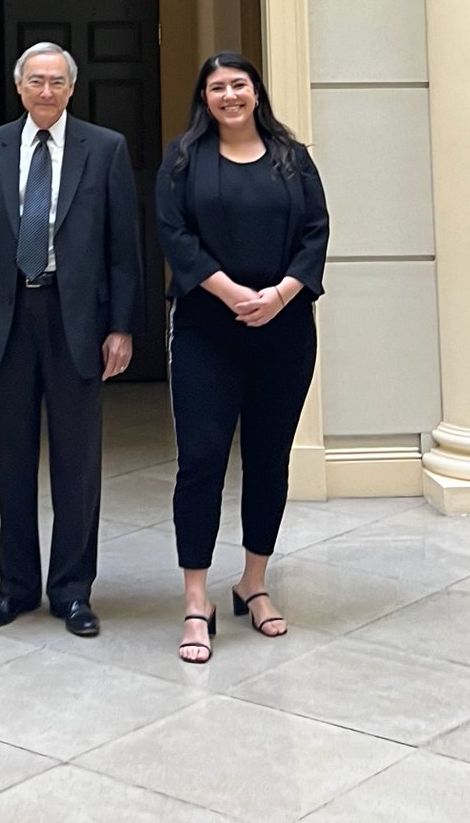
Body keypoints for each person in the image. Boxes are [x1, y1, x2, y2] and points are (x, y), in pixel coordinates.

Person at [0, 42, 142, 638]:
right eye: (35, 80)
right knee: (13, 458)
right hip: (9, 316)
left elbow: (123, 249)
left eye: (56, 81)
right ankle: (14, 587)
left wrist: (121, 327)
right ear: (18, 87)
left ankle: (72, 589)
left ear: (71, 87)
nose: (45, 91)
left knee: (77, 462)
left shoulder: (105, 148)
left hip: (76, 319)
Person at [155, 52, 328, 663]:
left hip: (283, 331)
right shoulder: (182, 160)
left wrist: (280, 296)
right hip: (207, 329)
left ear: (256, 92)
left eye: (239, 85)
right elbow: (174, 235)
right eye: (216, 88)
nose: (229, 96)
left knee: (267, 459)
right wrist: (231, 293)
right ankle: (195, 597)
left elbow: (316, 232)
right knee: (200, 461)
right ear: (204, 98)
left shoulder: (292, 159)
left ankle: (253, 583)